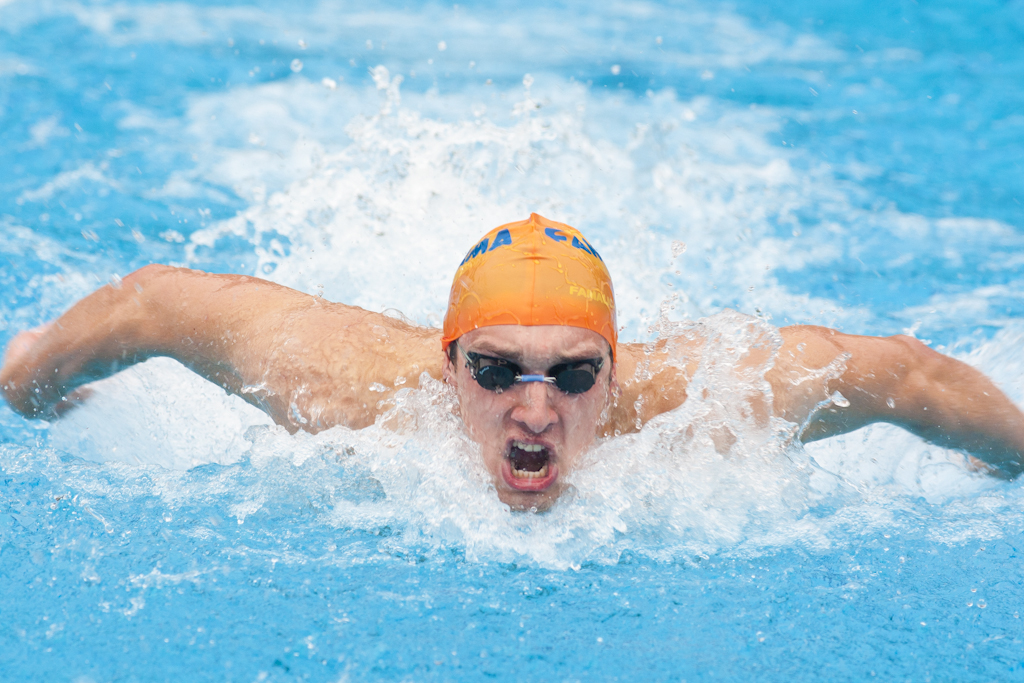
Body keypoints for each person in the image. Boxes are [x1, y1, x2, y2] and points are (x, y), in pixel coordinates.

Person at [2, 213, 1023, 510]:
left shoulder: (706, 402)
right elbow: (157, 302)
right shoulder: (344, 388)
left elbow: (906, 374)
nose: (535, 408)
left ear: (616, 371)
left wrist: (1014, 452)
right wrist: (30, 381)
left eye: (572, 374)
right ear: (448, 364)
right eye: (496, 371)